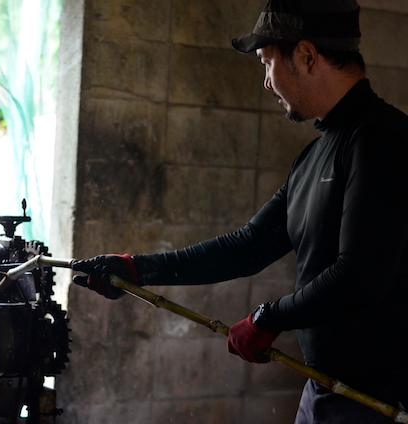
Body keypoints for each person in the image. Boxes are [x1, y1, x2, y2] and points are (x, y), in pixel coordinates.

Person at [71, 0, 408, 422]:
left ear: (305, 56)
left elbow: (359, 276)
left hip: (381, 402)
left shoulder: (382, 142)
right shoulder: (315, 155)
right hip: (325, 389)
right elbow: (248, 246)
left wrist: (271, 316)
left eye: (267, 62)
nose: (267, 81)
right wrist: (137, 269)